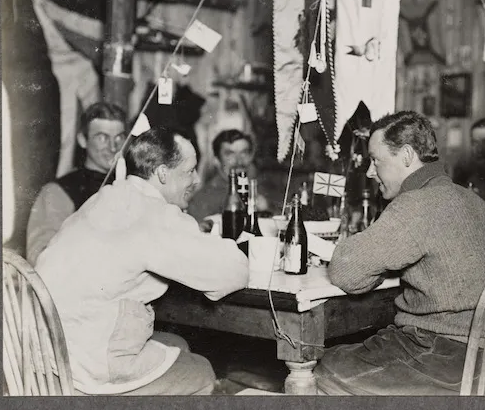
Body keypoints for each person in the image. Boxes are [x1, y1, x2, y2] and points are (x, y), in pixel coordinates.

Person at [35, 126, 249, 395]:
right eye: (189, 171)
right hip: (85, 367)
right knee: (201, 370)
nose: (195, 180)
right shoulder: (156, 213)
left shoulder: (105, 197)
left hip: (43, 355)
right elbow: (234, 272)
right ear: (162, 173)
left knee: (176, 343)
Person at [314, 111, 485, 395]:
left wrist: (373, 266)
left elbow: (346, 272)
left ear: (406, 156)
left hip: (443, 356)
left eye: (376, 160)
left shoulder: (416, 204)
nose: (369, 171)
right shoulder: (476, 202)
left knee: (323, 367)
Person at [26, 101, 127, 265]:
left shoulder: (130, 183)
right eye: (102, 137)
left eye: (119, 137)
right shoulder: (58, 191)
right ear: (82, 139)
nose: (113, 147)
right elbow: (41, 257)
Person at [187, 129, 307, 222]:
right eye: (230, 154)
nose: (239, 160)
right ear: (217, 160)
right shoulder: (203, 199)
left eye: (244, 153)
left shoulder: (265, 188)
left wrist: (268, 208)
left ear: (251, 156)